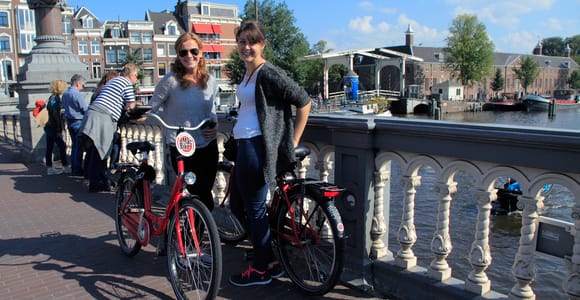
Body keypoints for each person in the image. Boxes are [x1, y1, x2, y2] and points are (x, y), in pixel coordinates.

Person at [228, 21, 312, 287]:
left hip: (256, 147)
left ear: (262, 44)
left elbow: (304, 100)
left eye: (252, 41)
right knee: (238, 205)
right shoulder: (248, 73)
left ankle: (263, 267)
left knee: (253, 209)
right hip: (244, 145)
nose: (246, 47)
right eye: (242, 41)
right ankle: (269, 258)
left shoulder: (268, 73)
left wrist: (292, 141)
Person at [149, 32, 219, 210]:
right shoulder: (170, 80)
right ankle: (191, 233)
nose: (189, 56)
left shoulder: (211, 81)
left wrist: (215, 124)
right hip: (182, 145)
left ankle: (196, 231)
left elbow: (211, 110)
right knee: (199, 195)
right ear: (178, 56)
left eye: (193, 51)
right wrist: (135, 114)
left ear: (201, 53)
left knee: (205, 191)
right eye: (183, 52)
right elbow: (152, 107)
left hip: (207, 143)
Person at [80, 63, 140, 192]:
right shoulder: (126, 83)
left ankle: (95, 180)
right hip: (103, 117)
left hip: (93, 114)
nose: (137, 79)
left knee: (95, 151)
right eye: (137, 76)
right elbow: (131, 105)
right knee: (102, 151)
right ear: (131, 75)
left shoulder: (114, 81)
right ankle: (97, 183)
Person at [90, 71, 121, 169]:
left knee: (95, 153)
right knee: (114, 143)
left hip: (94, 124)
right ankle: (112, 167)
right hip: (104, 124)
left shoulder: (98, 90)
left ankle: (93, 177)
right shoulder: (107, 91)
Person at [62, 74, 88, 176]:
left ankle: (74, 167)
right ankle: (77, 169)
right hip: (78, 121)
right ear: (78, 83)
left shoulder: (65, 94)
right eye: (83, 85)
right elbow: (84, 109)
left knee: (74, 146)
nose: (83, 88)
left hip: (70, 121)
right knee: (79, 147)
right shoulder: (76, 94)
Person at [44, 79, 71, 175]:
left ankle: (49, 168)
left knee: (49, 147)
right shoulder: (55, 99)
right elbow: (56, 116)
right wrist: (59, 129)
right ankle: (65, 165)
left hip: (48, 126)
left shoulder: (51, 98)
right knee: (62, 146)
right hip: (53, 127)